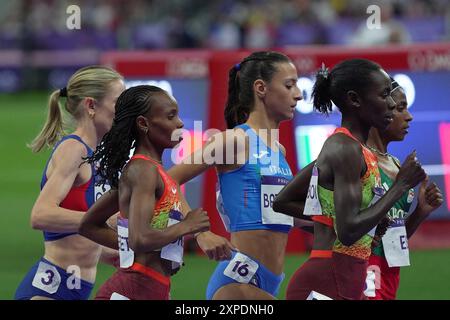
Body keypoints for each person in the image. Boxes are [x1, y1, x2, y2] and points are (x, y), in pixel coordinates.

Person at [272, 59, 426, 300]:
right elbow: (348, 230)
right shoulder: (343, 148)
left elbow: (283, 201)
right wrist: (401, 186)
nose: (390, 103)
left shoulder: (358, 149)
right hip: (327, 278)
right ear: (355, 100)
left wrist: (333, 221)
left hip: (348, 276)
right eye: (384, 94)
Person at [168, 51, 308, 300]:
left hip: (270, 280)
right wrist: (198, 232)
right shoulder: (235, 140)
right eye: (289, 85)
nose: (298, 94)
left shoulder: (280, 151)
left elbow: (274, 215)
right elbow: (167, 180)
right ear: (261, 88)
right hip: (238, 280)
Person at [81, 85, 210, 300]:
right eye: (171, 116)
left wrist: (162, 249)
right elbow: (139, 239)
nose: (180, 123)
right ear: (143, 123)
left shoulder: (150, 171)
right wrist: (186, 226)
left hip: (150, 287)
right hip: (133, 288)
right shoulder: (143, 171)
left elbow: (89, 225)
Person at [15, 66, 125, 300]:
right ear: (91, 106)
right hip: (50, 289)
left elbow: (77, 237)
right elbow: (40, 215)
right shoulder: (74, 150)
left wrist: (115, 250)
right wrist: (101, 220)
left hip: (74, 289)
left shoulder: (97, 155)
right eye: (118, 102)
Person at [365, 78, 444, 300]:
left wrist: (420, 212)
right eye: (400, 108)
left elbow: (391, 238)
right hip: (362, 276)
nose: (409, 116)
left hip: (389, 277)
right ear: (379, 109)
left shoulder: (398, 166)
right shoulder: (356, 160)